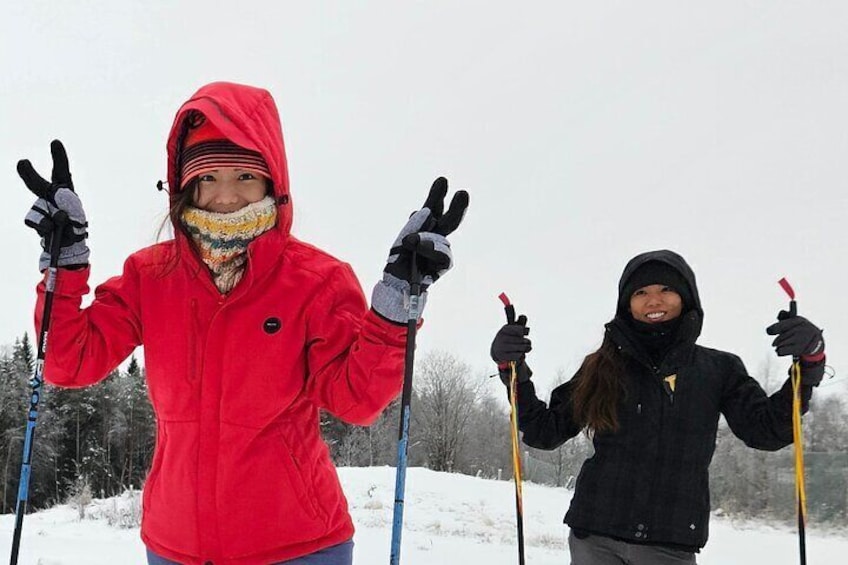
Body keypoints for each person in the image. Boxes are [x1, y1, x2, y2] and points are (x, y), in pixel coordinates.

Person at [19, 81, 468, 565]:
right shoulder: (151, 276)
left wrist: (396, 305)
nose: (226, 195)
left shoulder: (316, 280)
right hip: (176, 547)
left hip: (298, 546)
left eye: (244, 176)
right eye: (208, 177)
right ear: (185, 184)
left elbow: (356, 399)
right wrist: (62, 267)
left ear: (272, 181)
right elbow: (68, 361)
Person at [490, 249, 825, 565]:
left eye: (666, 289)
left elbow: (767, 431)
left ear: (686, 297)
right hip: (594, 537)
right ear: (627, 304)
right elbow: (544, 432)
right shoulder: (602, 365)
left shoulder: (718, 369)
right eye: (641, 292)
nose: (654, 300)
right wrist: (513, 372)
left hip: (668, 545)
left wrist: (808, 364)